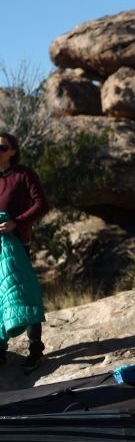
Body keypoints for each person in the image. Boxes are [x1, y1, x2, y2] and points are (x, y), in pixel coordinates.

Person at [0, 133, 50, 370]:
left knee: (24, 293)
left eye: (2, 147)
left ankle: (36, 349)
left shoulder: (22, 174)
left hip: (17, 244)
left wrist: (16, 223)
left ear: (12, 151)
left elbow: (42, 204)